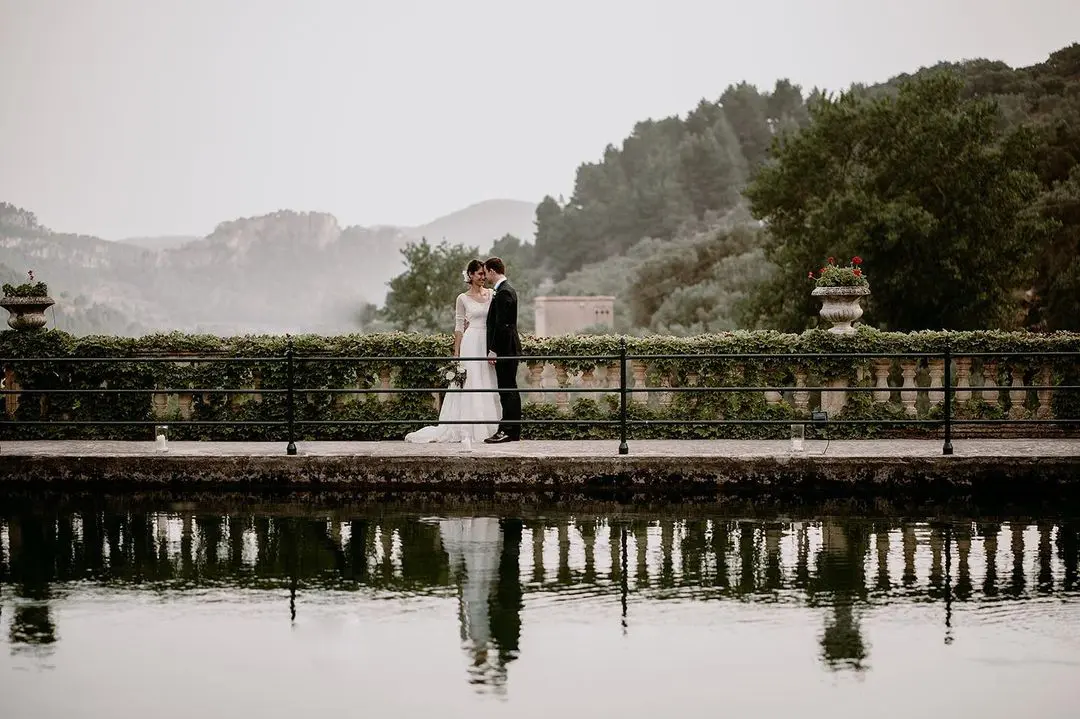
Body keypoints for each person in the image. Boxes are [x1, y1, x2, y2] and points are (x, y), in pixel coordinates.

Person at [404, 260, 501, 443]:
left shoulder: (492, 294)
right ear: (471, 275)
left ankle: (491, 426)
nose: (483, 277)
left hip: (487, 342)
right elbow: (458, 327)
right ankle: (467, 427)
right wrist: (457, 353)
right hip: (471, 342)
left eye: (484, 274)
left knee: (487, 381)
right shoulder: (462, 298)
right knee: (471, 382)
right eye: (479, 274)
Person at [482, 257, 522, 443]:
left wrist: (494, 350)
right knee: (509, 388)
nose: (486, 277)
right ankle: (512, 430)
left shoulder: (504, 292)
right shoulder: (507, 290)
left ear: (492, 271)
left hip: (505, 349)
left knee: (507, 390)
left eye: (486, 272)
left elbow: (502, 325)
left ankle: (507, 430)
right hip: (509, 348)